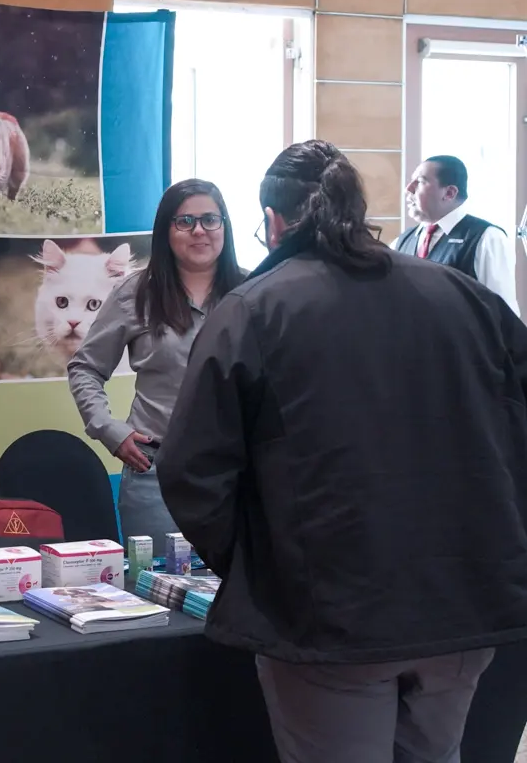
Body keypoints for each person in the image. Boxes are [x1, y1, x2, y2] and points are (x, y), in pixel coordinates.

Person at [156, 139, 527, 763]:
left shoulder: (253, 310)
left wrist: (260, 565)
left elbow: (191, 470)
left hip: (329, 610)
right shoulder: (464, 297)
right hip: (464, 600)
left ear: (273, 221)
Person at [67, 179, 244, 558]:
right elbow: (85, 368)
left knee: (238, 587)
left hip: (238, 475)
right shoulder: (137, 294)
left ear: (225, 227)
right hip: (155, 476)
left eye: (210, 219)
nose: (199, 230)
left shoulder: (253, 293)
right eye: (185, 221)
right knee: (156, 588)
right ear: (166, 231)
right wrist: (109, 429)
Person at [394, 154, 519, 314]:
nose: (408, 189)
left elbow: (504, 315)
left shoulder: (487, 238)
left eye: (420, 181)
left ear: (449, 193)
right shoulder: (403, 241)